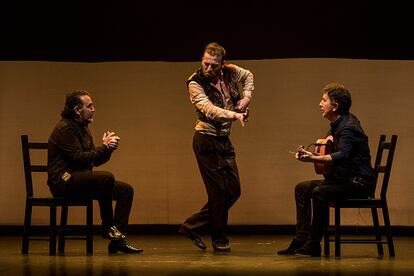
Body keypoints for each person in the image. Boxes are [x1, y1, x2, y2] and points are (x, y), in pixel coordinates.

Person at [277, 83, 375, 257]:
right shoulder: (337, 124)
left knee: (320, 192)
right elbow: (330, 151)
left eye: (324, 100)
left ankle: (314, 244)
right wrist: (310, 155)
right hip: (343, 180)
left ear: (335, 106)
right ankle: (302, 238)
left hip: (358, 184)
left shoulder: (348, 127)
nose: (320, 104)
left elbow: (343, 155)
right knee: (302, 188)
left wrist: (313, 158)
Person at [179, 42, 254, 252]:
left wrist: (246, 98)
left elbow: (248, 76)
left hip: (224, 139)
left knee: (233, 189)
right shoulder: (195, 82)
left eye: (214, 65)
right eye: (206, 64)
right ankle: (219, 239)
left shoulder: (230, 71)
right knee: (218, 192)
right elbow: (209, 109)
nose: (209, 69)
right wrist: (235, 114)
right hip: (206, 139)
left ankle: (191, 226)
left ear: (222, 64)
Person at [47, 90, 143, 254]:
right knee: (106, 177)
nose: (94, 109)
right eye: (89, 106)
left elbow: (94, 160)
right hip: (63, 180)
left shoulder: (83, 128)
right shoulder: (65, 129)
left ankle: (117, 241)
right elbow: (79, 158)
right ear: (77, 110)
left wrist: (108, 149)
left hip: (79, 179)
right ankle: (108, 227)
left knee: (126, 191)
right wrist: (103, 147)